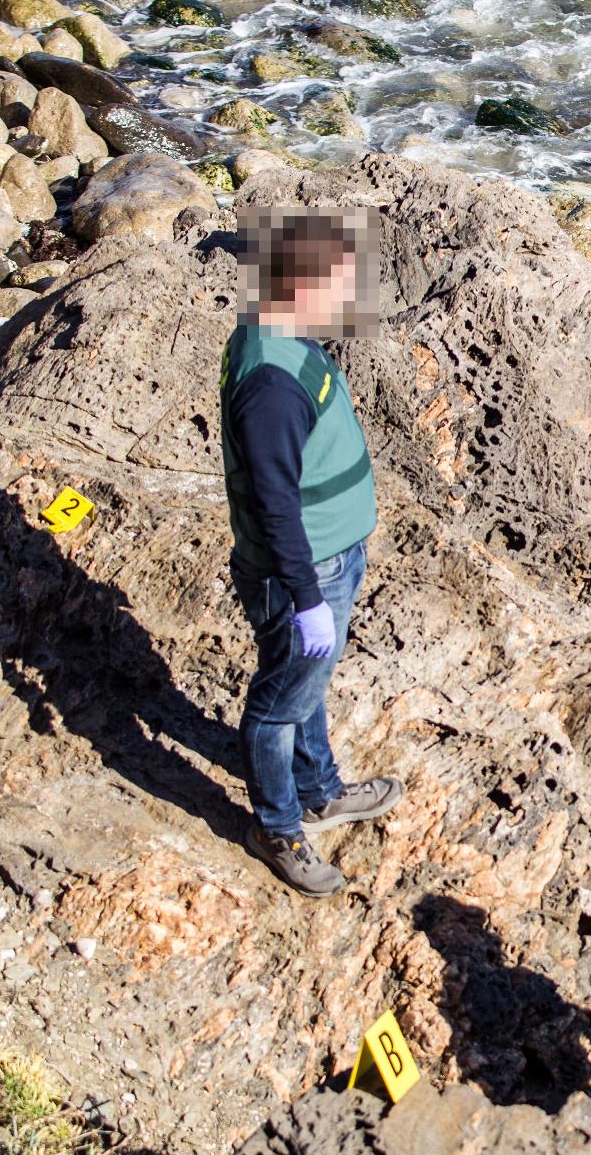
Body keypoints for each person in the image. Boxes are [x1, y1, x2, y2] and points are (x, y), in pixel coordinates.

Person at [219, 210, 402, 897]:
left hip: (331, 553)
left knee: (307, 683)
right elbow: (274, 501)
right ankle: (276, 825)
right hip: (305, 569)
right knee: (277, 703)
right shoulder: (271, 380)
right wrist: (304, 598)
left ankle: (319, 789)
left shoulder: (284, 333)